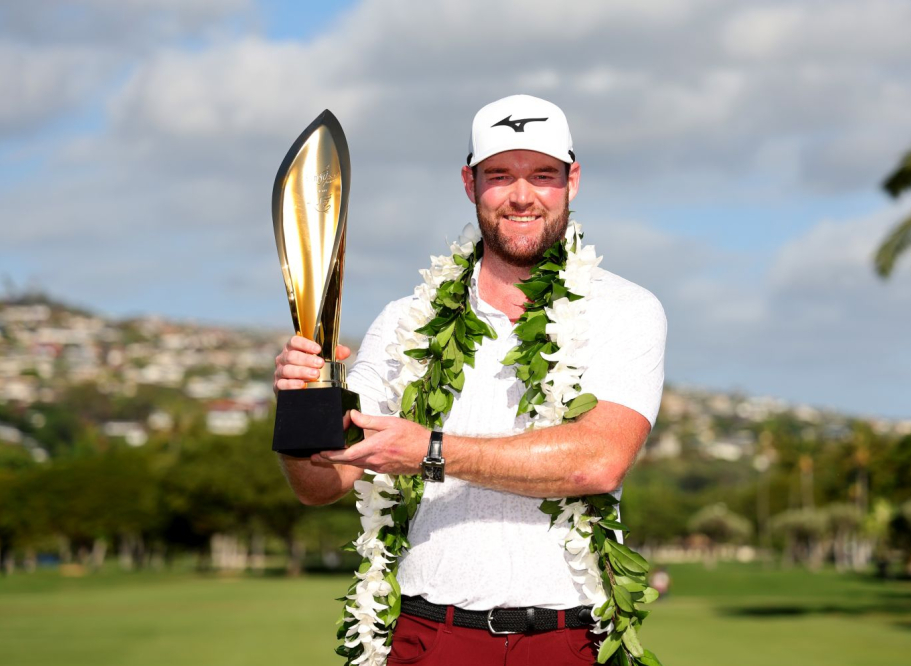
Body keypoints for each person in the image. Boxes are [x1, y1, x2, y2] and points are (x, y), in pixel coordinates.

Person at [273, 94, 667, 665]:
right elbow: (319, 485)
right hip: (428, 636)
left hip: (566, 640)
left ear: (572, 181)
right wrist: (300, 401)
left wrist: (430, 451)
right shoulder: (405, 320)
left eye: (543, 175)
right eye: (500, 175)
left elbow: (597, 461)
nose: (522, 195)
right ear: (469, 182)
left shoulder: (624, 309)